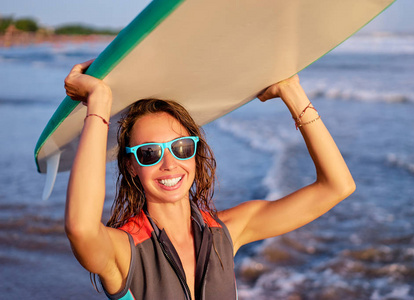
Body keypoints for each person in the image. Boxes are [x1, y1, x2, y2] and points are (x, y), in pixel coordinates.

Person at [64, 60, 355, 300]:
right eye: (149, 153)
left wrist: (292, 91)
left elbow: (337, 186)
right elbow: (81, 228)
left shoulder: (227, 232)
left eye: (181, 148)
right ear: (131, 165)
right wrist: (99, 101)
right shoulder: (123, 251)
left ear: (194, 153)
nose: (169, 164)